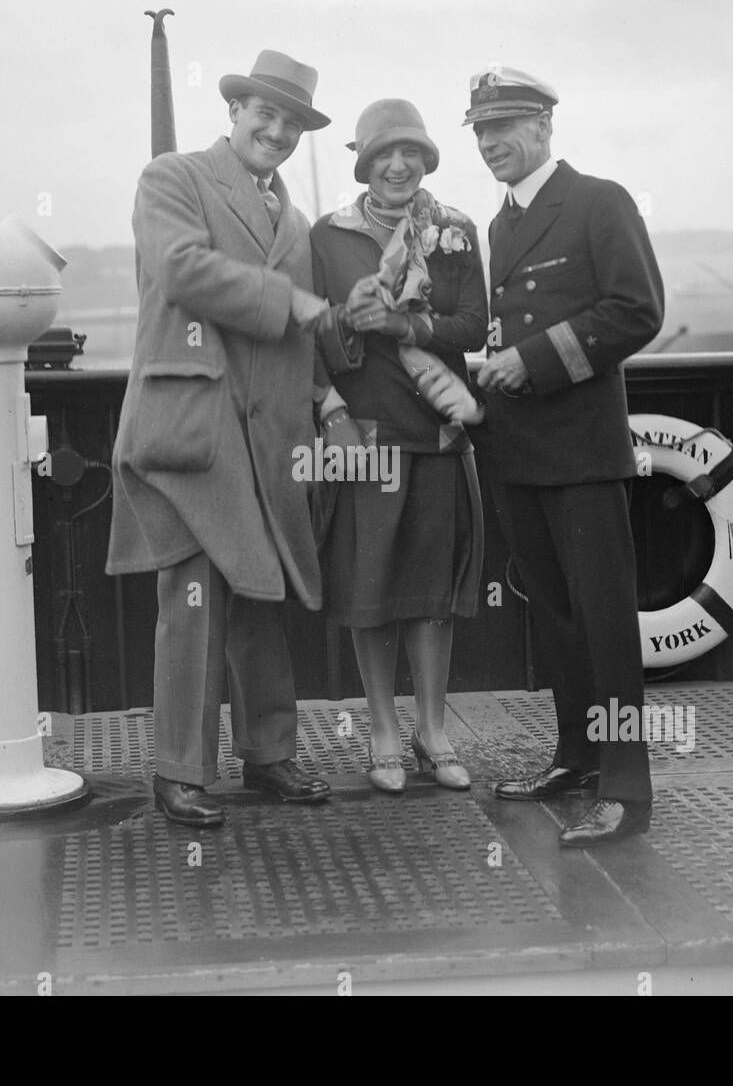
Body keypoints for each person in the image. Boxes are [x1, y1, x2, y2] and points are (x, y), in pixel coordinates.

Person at [105, 50, 335, 827]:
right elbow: (180, 270)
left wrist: (328, 391)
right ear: (234, 112)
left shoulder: (296, 222)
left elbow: (305, 334)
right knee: (197, 598)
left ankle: (270, 756)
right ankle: (181, 773)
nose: (275, 130)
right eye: (263, 114)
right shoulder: (171, 178)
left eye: (292, 122)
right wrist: (290, 300)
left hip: (269, 441)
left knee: (260, 596)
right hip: (191, 430)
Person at [463, 67, 665, 846]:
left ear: (545, 126)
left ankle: (626, 789)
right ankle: (576, 757)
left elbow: (637, 310)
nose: (490, 144)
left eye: (505, 127)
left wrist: (534, 361)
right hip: (518, 452)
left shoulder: (598, 201)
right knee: (554, 618)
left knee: (607, 624)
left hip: (582, 453)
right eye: (480, 131)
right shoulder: (501, 225)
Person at [310, 99, 488, 794]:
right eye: (385, 153)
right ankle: (383, 730)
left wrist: (407, 325)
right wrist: (350, 331)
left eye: (411, 152)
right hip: (366, 437)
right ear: (365, 163)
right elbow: (311, 333)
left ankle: (432, 730)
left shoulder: (455, 231)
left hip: (438, 435)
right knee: (370, 591)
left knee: (432, 596)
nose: (398, 164)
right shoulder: (327, 238)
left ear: (426, 159)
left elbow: (473, 326)